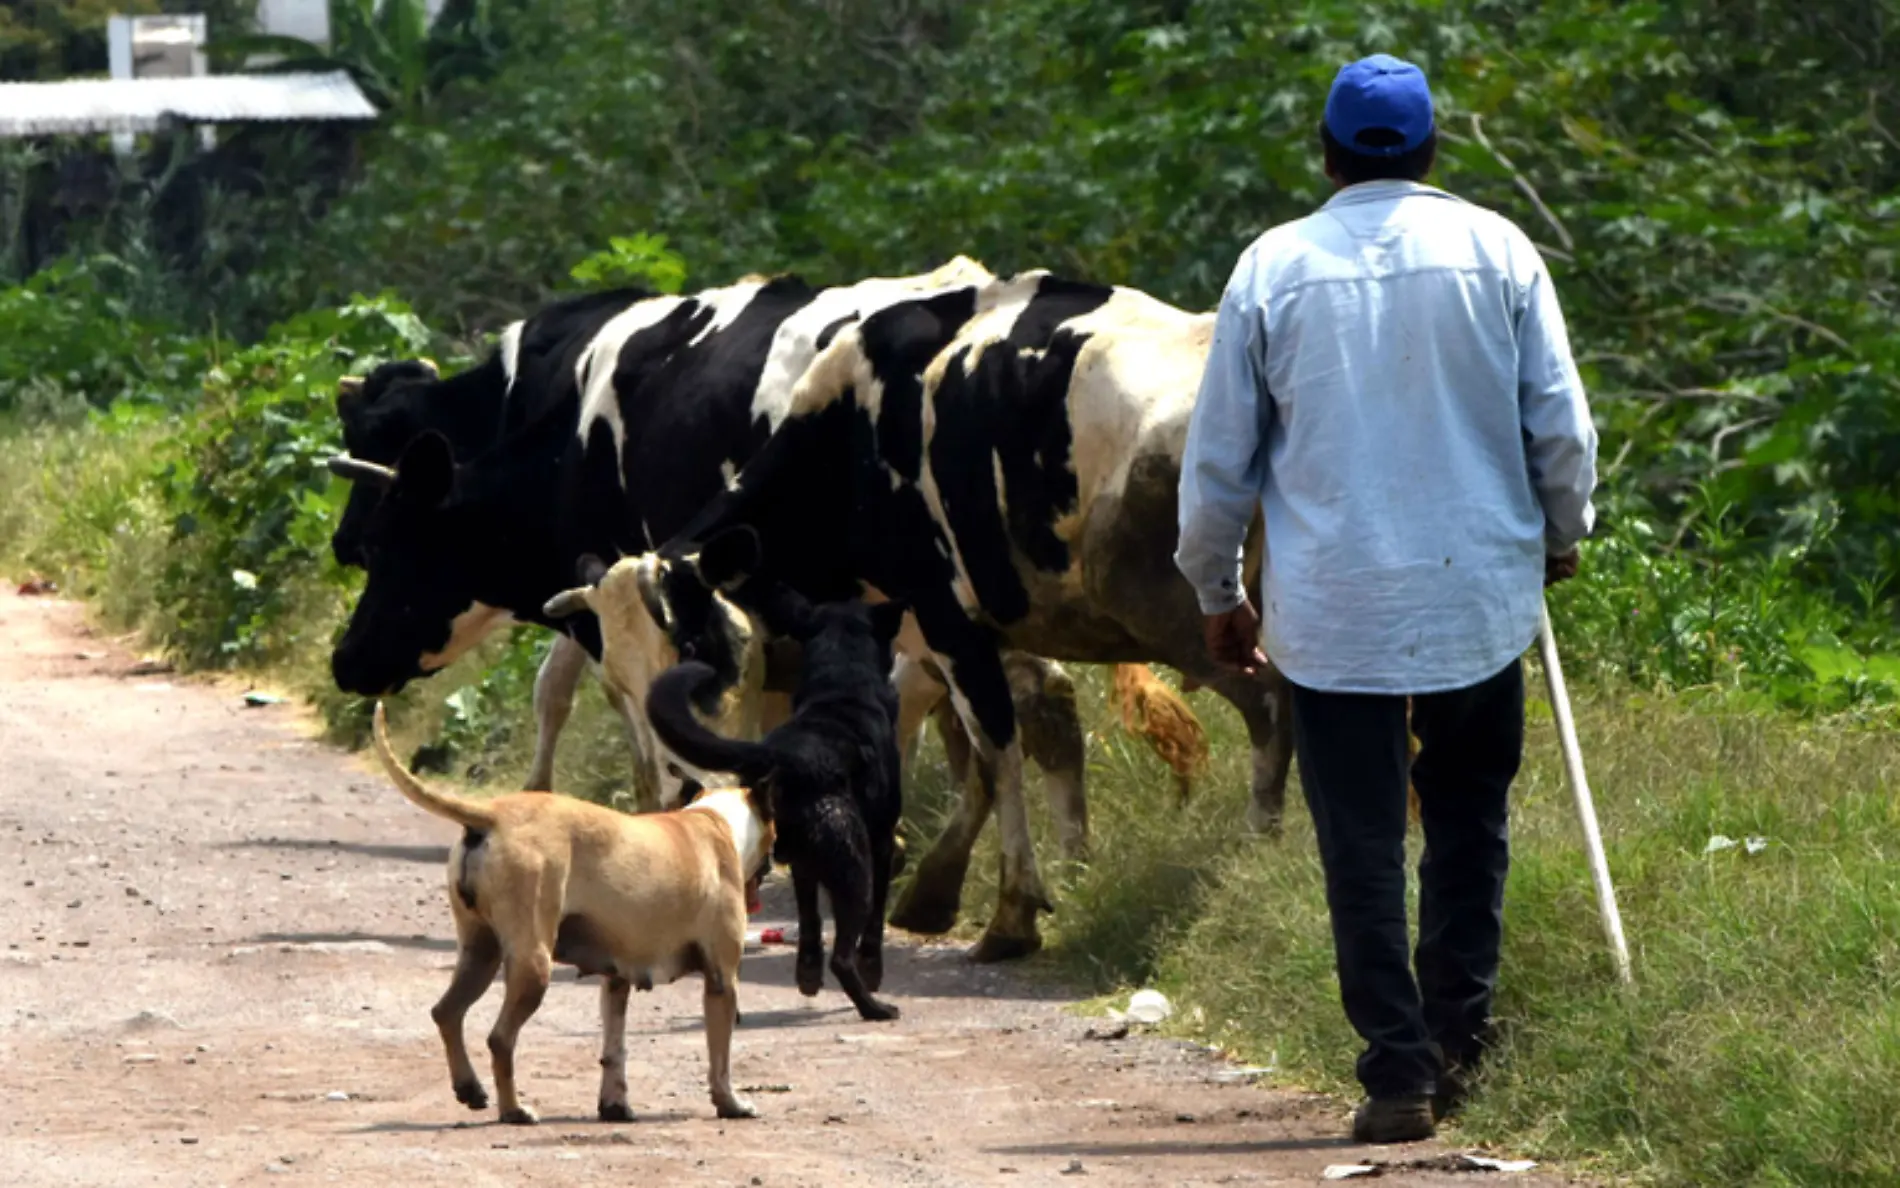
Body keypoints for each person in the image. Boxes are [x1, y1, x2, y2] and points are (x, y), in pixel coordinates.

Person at [1173, 52, 1598, 1144]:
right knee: (1469, 824)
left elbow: (1217, 460)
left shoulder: (1272, 266)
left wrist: (1218, 589)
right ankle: (1460, 1044)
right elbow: (1560, 425)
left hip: (1332, 609)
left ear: (1325, 154)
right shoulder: (1497, 250)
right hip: (1476, 599)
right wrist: (1561, 537)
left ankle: (1396, 1072)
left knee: (1359, 843)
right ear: (1431, 148)